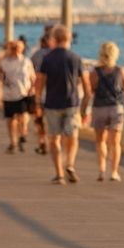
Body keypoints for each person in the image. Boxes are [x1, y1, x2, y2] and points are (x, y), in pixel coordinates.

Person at [34, 24, 86, 184]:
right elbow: (87, 86)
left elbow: (40, 81)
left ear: (54, 39)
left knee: (54, 139)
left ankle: (59, 174)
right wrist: (85, 108)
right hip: (71, 104)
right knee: (73, 137)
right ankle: (70, 164)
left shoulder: (47, 58)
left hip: (51, 104)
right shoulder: (76, 58)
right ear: (68, 39)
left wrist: (37, 102)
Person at [86, 41, 124, 182]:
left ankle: (102, 170)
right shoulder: (120, 71)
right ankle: (114, 172)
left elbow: (91, 91)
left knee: (100, 141)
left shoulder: (95, 72)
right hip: (116, 109)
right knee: (115, 143)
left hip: (99, 108)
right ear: (115, 54)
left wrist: (84, 110)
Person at [0, 38, 36, 153]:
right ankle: (13, 141)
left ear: (22, 48)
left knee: (23, 117)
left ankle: (22, 134)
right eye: (13, 47)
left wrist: (32, 88)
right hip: (8, 94)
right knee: (11, 119)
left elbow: (32, 76)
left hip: (24, 93)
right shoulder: (4, 62)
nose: (15, 50)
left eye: (17, 47)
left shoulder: (26, 61)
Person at [29, 29, 54, 154]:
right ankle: (51, 141)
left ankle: (42, 140)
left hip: (38, 92)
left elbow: (31, 72)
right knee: (51, 121)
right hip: (53, 94)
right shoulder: (55, 55)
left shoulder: (37, 54)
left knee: (39, 120)